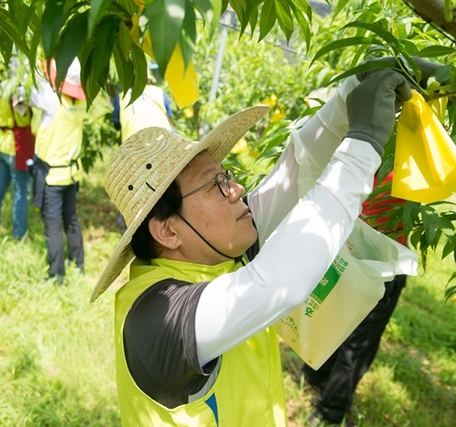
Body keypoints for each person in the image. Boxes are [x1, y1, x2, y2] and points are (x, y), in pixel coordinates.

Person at [89, 66, 416, 426]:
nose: (237, 190)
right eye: (213, 184)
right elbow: (275, 284)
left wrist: (352, 94)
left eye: (227, 175)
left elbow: (294, 169)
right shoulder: (158, 318)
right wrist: (362, 147)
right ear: (167, 231)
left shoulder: (218, 250)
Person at [302, 171, 408, 426]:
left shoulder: (368, 152)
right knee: (359, 343)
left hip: (347, 252)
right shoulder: (414, 168)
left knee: (333, 317)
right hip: (384, 263)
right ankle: (330, 410)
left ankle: (316, 375)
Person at [29, 58, 87, 283]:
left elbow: (30, 89)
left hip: (52, 176)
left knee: (52, 226)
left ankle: (57, 275)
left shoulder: (52, 101)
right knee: (71, 220)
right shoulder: (81, 103)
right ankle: (78, 265)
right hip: (71, 174)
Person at [0, 79, 34, 240]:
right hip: (16, 145)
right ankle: (20, 234)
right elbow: (23, 120)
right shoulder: (12, 93)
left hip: (0, 142)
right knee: (21, 192)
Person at [110, 76, 174, 142]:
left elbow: (116, 124)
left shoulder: (120, 97)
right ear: (148, 79)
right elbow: (169, 115)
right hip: (163, 140)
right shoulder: (159, 92)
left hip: (133, 144)